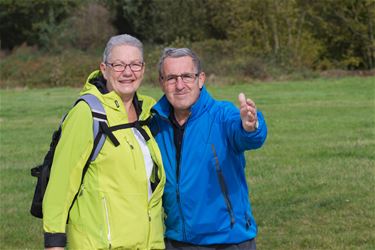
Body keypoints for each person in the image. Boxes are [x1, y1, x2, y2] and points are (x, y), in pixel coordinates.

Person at [42, 34, 166, 249]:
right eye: (118, 65)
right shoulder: (87, 113)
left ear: (143, 69)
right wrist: (54, 241)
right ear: (104, 69)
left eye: (135, 64)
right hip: (99, 244)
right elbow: (61, 183)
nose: (128, 72)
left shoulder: (149, 111)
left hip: (148, 243)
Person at [150, 48, 267, 249]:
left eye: (187, 76)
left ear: (201, 79)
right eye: (171, 78)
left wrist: (251, 127)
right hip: (178, 240)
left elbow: (247, 136)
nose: (179, 85)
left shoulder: (222, 115)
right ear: (161, 82)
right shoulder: (155, 123)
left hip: (228, 241)